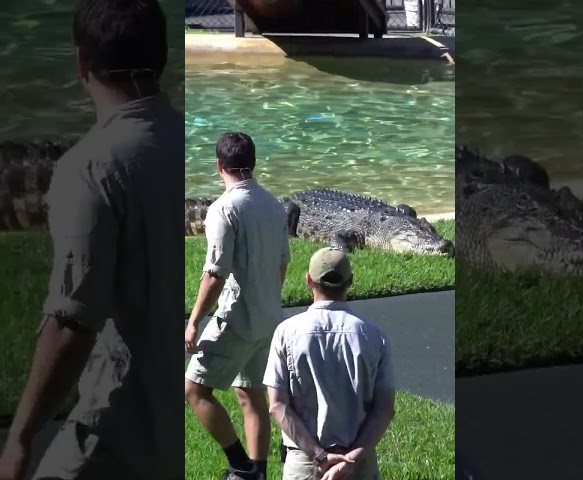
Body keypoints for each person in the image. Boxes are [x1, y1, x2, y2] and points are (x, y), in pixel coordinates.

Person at [0, 1, 184, 480]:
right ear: (162, 55)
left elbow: (72, 321)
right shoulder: (190, 141)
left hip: (117, 432)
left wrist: (20, 438)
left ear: (82, 63)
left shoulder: (89, 166)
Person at [184, 132, 292, 480]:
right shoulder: (274, 206)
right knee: (250, 394)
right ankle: (258, 473)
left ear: (219, 166)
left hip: (237, 319)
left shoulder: (224, 209)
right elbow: (281, 265)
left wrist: (194, 321)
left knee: (195, 389)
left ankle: (240, 466)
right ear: (254, 162)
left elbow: (215, 273)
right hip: (269, 318)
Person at [263, 247, 397, 480]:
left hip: (304, 461)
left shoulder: (287, 332)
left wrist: (319, 456)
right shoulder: (374, 335)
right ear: (350, 281)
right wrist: (350, 461)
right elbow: (384, 409)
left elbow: (277, 406)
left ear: (308, 280)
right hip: (358, 463)